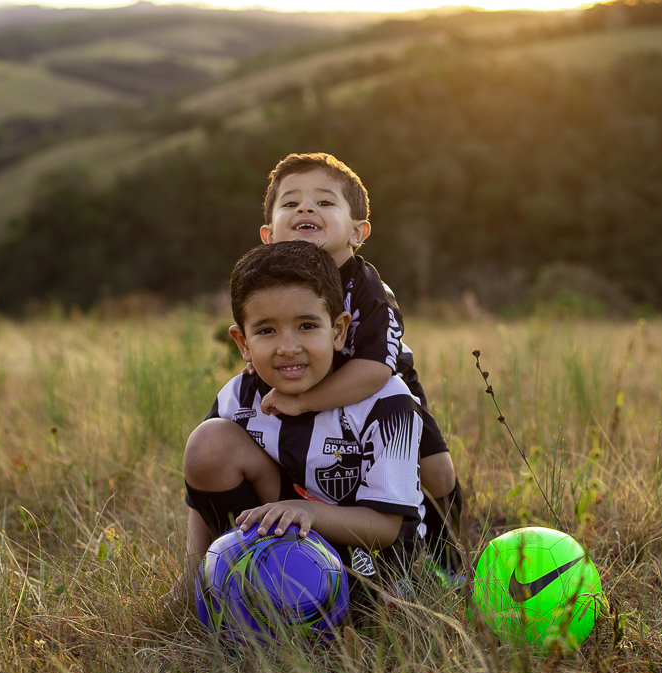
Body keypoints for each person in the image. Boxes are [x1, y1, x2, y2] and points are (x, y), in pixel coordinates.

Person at [166, 240, 426, 606]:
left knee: (358, 607)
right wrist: (192, 574)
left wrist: (308, 512)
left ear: (338, 330)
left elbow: (385, 528)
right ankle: (241, 580)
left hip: (369, 563)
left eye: (306, 326)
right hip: (288, 527)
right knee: (207, 444)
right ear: (242, 343)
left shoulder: (388, 402)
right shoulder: (239, 395)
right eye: (266, 331)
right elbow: (201, 495)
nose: (288, 347)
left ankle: (304, 598)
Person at [257, 152, 463, 577]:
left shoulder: (368, 289)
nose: (305, 209)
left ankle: (445, 558)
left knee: (438, 473)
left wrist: (304, 402)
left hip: (383, 395)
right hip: (307, 390)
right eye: (291, 202)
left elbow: (374, 370)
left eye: (324, 202)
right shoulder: (266, 284)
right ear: (268, 234)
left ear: (357, 232)